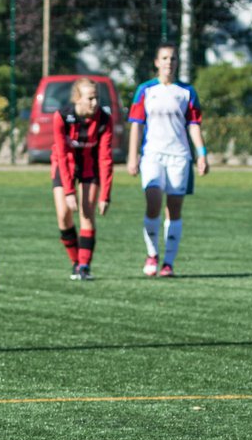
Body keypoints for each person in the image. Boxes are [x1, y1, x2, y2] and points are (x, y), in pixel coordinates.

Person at [126, 43, 209, 278]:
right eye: (164, 58)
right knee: (152, 202)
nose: (168, 63)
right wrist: (133, 156)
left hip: (179, 156)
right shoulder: (145, 90)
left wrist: (201, 154)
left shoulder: (186, 91)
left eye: (172, 59)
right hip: (152, 154)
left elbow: (193, 125)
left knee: (174, 208)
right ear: (156, 62)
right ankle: (152, 254)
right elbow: (136, 125)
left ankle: (168, 262)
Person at [50, 77, 114, 281]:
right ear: (77, 98)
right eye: (90, 99)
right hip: (64, 165)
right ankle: (76, 262)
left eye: (97, 98)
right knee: (63, 215)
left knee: (87, 213)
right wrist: (69, 192)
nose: (95, 103)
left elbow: (105, 158)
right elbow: (61, 153)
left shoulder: (104, 119)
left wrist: (105, 195)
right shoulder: (61, 116)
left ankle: (84, 267)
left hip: (89, 166)